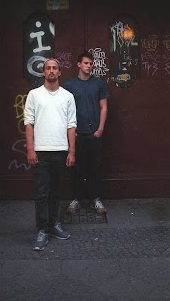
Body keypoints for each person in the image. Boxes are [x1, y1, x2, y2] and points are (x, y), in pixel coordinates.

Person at [23, 57, 76, 251]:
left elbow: (71, 125)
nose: (51, 71)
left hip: (60, 151)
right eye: (48, 68)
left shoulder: (67, 97)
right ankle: (42, 230)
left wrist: (72, 151)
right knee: (41, 193)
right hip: (41, 151)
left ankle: (54, 225)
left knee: (56, 192)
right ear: (43, 72)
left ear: (59, 72)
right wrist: (30, 149)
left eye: (55, 68)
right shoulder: (34, 95)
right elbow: (28, 123)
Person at [60, 51, 110, 215]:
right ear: (79, 65)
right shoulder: (69, 86)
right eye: (86, 63)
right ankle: (76, 199)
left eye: (91, 63)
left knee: (95, 167)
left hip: (94, 133)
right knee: (76, 168)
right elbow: (65, 111)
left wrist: (100, 128)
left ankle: (96, 199)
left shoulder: (98, 84)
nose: (89, 66)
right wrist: (70, 132)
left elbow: (104, 107)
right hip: (76, 134)